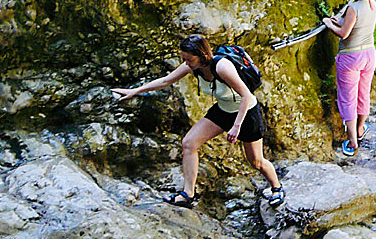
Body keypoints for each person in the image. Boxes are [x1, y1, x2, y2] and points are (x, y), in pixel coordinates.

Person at [111, 35, 285, 208]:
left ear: (202, 55)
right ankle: (188, 194)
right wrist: (134, 91)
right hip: (223, 110)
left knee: (256, 161)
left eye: (189, 59)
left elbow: (246, 95)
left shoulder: (222, 66)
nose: (186, 63)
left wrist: (236, 126)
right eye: (183, 59)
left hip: (246, 113)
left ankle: (277, 188)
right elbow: (166, 81)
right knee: (189, 143)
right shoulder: (192, 67)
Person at [322, 0, 376, 156]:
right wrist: (339, 19)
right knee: (363, 94)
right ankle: (361, 128)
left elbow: (344, 33)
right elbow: (355, 24)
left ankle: (352, 141)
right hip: (369, 54)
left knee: (348, 98)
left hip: (351, 57)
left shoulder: (354, 8)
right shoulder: (371, 5)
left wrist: (329, 24)